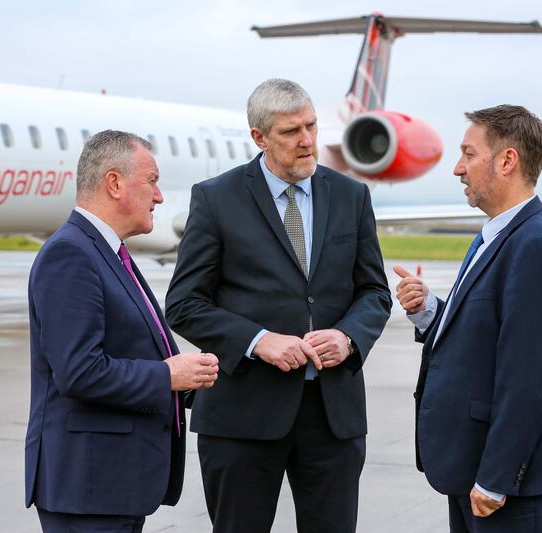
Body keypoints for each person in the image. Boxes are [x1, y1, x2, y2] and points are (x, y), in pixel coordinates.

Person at [165, 79, 392, 532]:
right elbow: (184, 303)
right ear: (259, 137)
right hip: (243, 415)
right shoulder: (215, 199)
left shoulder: (351, 196)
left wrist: (347, 337)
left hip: (332, 417)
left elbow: (375, 293)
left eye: (311, 126)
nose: (307, 141)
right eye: (291, 132)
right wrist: (257, 340)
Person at [394, 105, 542, 532]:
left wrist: (497, 478)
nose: (457, 169)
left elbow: (530, 378)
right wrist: (430, 310)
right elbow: (487, 336)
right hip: (476, 466)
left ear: (507, 161)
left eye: (468, 154)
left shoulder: (536, 244)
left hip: (511, 482)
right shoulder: (497, 234)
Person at [24, 130, 219, 532]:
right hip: (88, 488)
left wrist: (190, 382)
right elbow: (80, 372)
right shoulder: (71, 254)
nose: (160, 196)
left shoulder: (107, 251)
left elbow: (129, 352)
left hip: (113, 486)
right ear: (114, 183)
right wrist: (170, 375)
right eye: (152, 181)